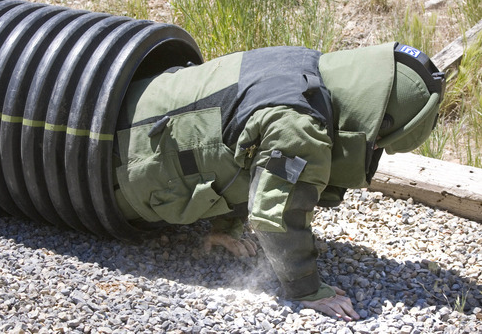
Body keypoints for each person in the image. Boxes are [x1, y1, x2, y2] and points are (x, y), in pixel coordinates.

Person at [112, 42, 445, 321]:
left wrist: (224, 227)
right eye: (379, 141)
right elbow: (274, 214)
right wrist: (307, 289)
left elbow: (230, 144)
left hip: (125, 101)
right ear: (376, 121)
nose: (374, 148)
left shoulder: (303, 64)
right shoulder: (300, 126)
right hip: (112, 171)